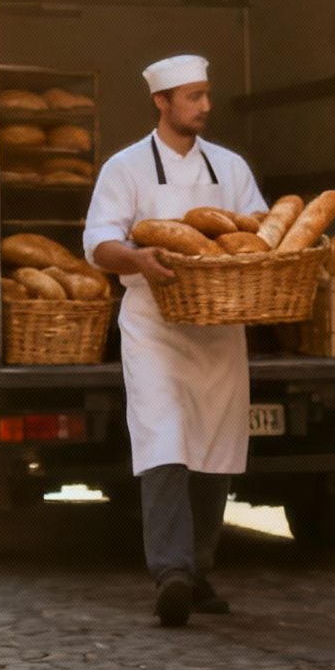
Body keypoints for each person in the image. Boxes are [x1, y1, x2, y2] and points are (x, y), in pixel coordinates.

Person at [83, 55, 270, 628]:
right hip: (155, 326)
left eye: (206, 95)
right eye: (193, 97)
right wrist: (136, 258)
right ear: (161, 103)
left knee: (216, 447)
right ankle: (171, 572)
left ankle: (199, 568)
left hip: (219, 327)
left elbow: (262, 230)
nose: (205, 106)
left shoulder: (231, 167)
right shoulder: (126, 167)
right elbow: (98, 242)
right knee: (164, 440)